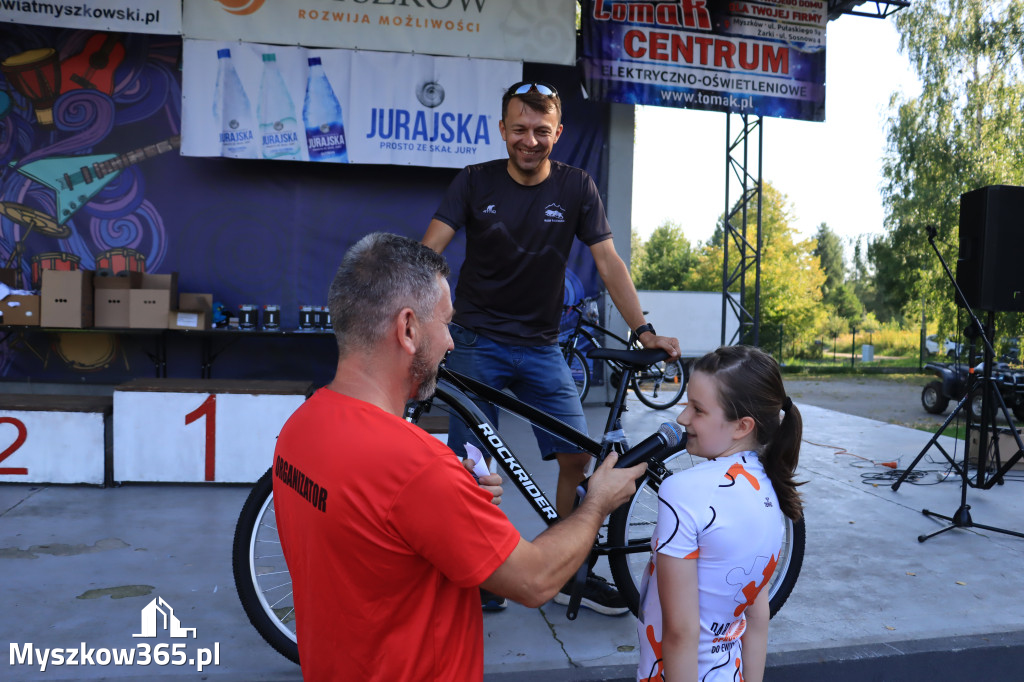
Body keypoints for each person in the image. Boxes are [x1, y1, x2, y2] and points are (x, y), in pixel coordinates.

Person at [272, 232, 647, 682]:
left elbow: (370, 546)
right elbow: (535, 580)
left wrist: (449, 502)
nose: (451, 343)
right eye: (447, 323)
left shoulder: (300, 427)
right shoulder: (416, 466)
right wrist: (597, 503)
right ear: (408, 329)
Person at [422, 80, 681, 614]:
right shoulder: (473, 182)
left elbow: (609, 263)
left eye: (542, 131)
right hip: (474, 343)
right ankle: (481, 574)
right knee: (470, 466)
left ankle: (566, 566)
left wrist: (644, 330)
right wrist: (408, 316)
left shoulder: (577, 187)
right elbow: (429, 252)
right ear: (502, 130)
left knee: (577, 457)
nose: (530, 140)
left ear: (558, 133)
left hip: (543, 348)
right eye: (519, 129)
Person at [635, 345, 803, 682]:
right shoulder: (773, 486)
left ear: (741, 426)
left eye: (697, 409)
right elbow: (757, 616)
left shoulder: (682, 492)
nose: (682, 418)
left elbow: (681, 633)